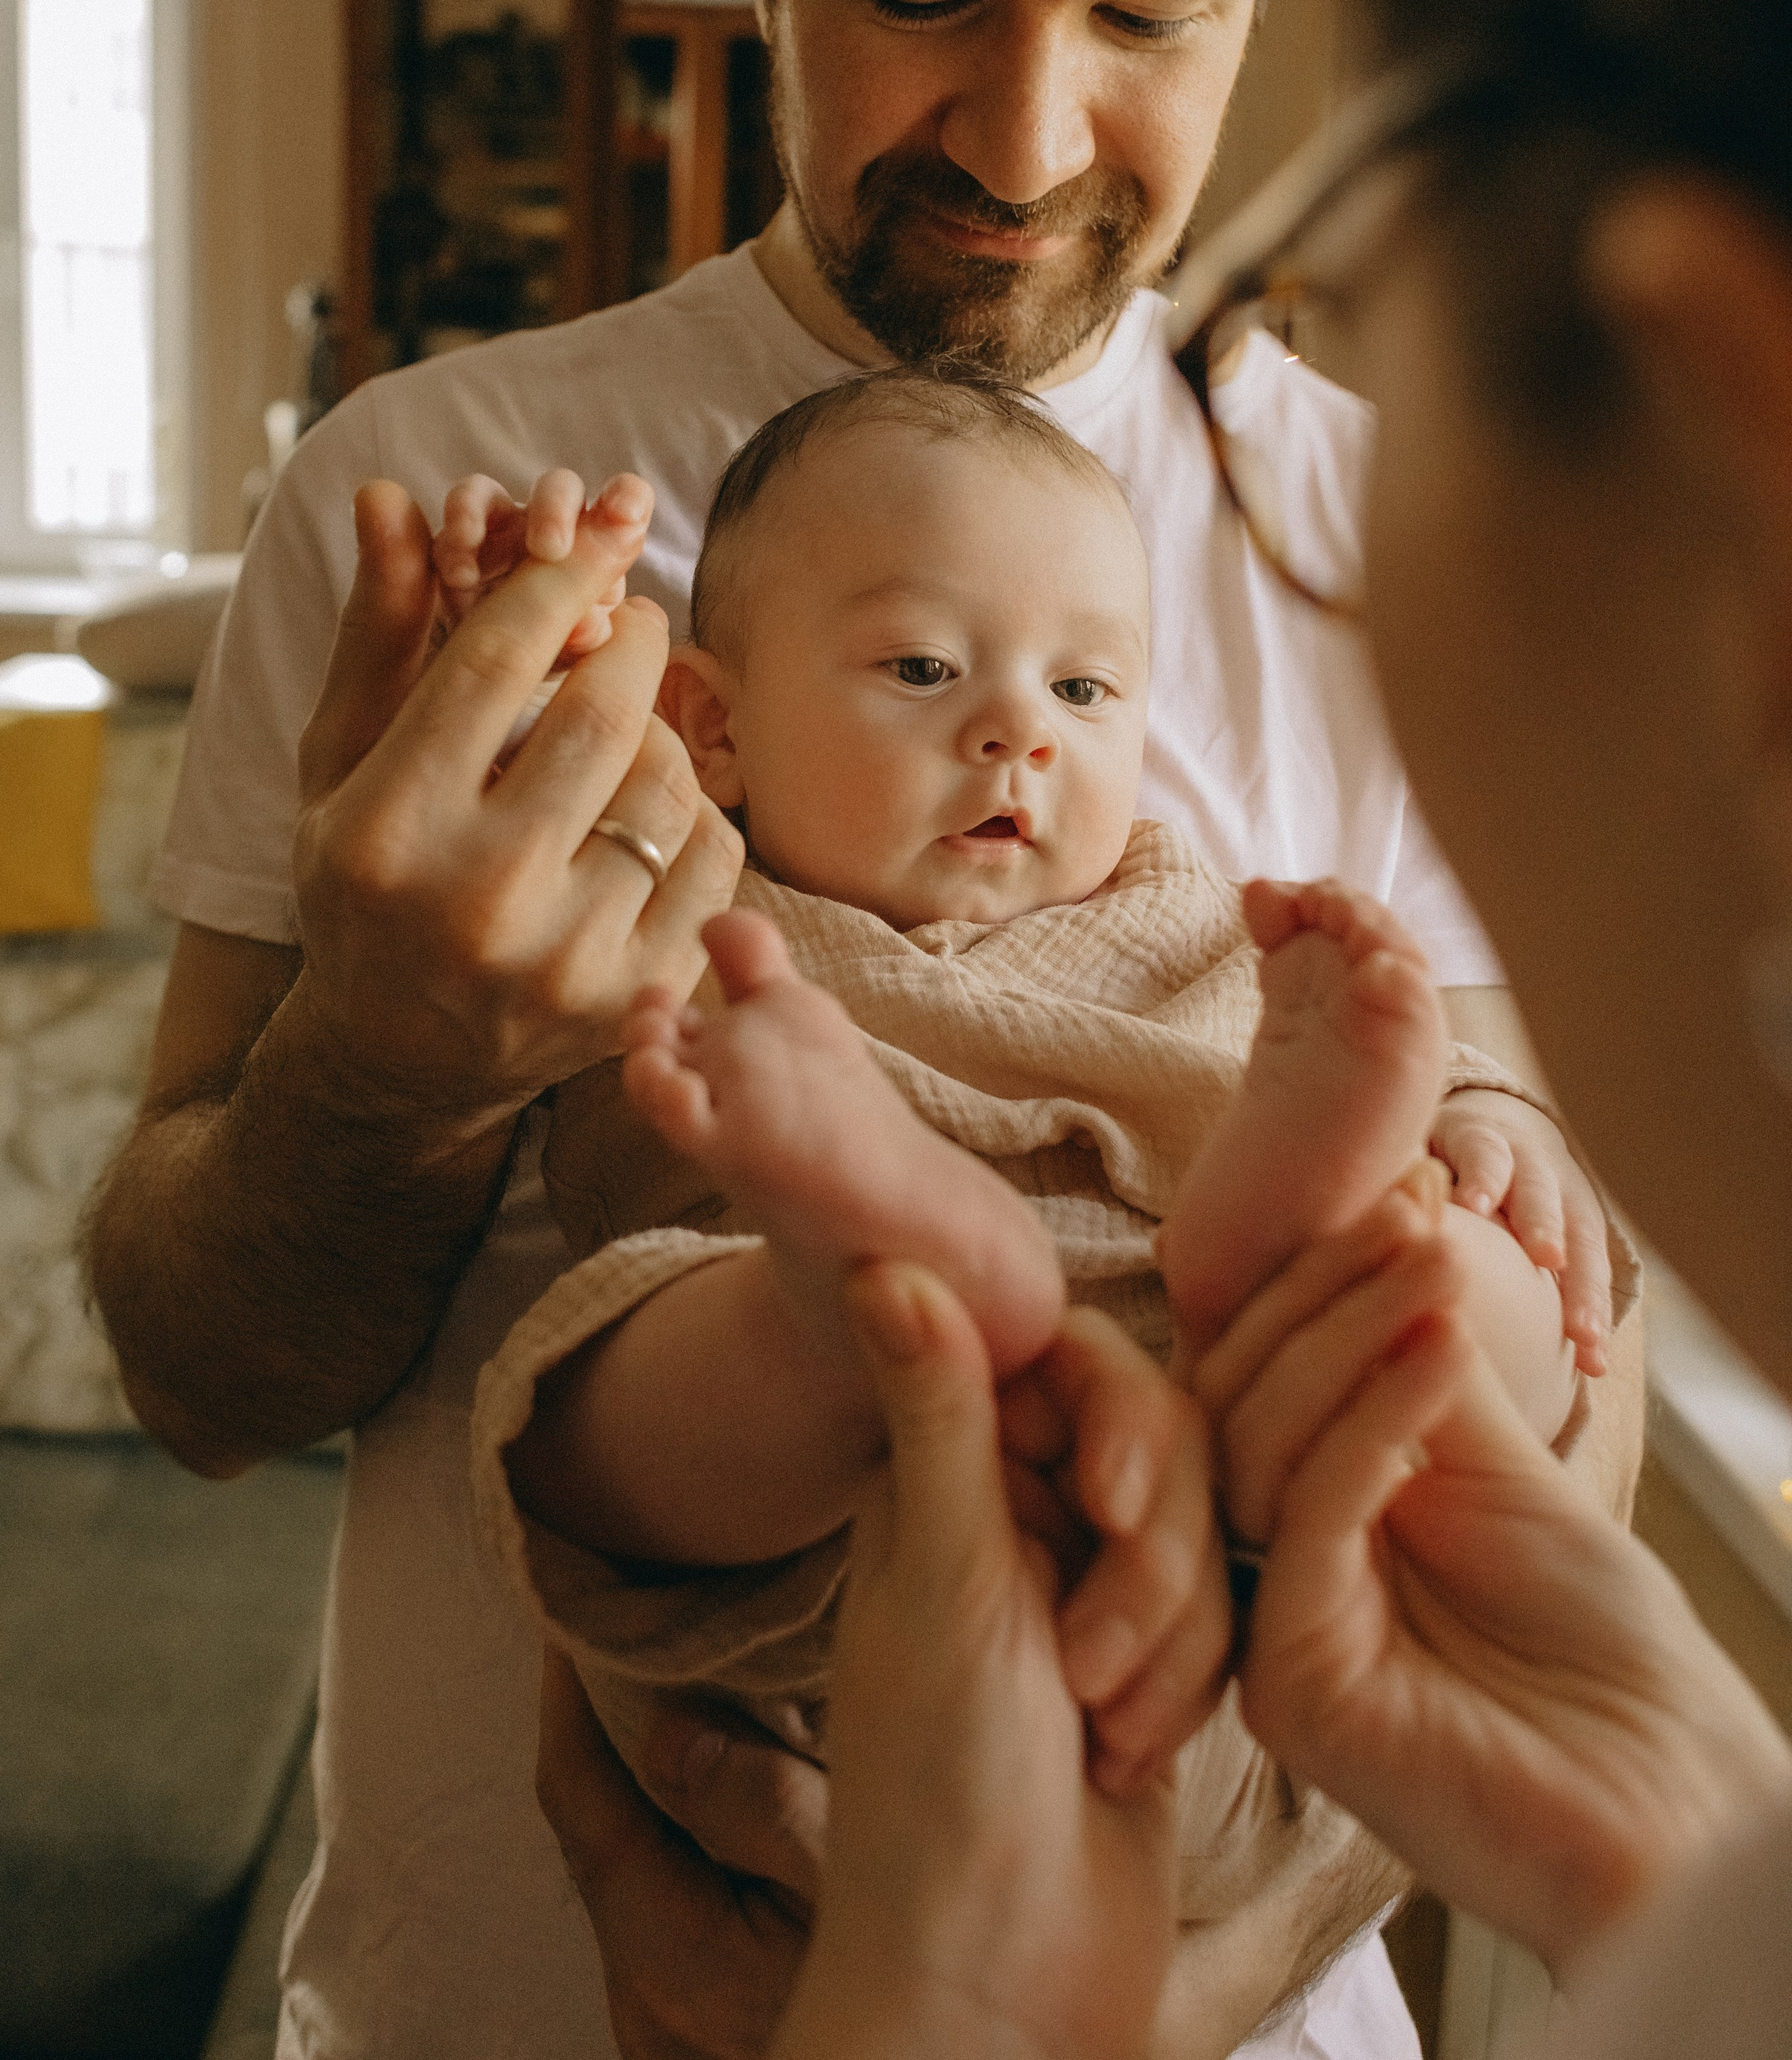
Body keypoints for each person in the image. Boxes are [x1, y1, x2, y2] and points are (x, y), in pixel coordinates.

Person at [85, 0, 1634, 2060]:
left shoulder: (1407, 557)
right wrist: (389, 1055)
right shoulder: (426, 505)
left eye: (1155, 11)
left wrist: (1188, 1971)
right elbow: (198, 1375)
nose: (1029, 145)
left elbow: (1530, 1430)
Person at [570, 0, 1792, 2052]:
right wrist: (1687, 1853)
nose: (1027, 144)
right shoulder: (590, 660)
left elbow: (1513, 1319)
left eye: (1173, 24)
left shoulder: (1197, 881)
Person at [460, 375, 1585, 1961]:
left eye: (1085, 689)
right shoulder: (699, 922)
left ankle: (1284, 1274)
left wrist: (1483, 1122)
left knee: (1472, 1275)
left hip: (1230, 1599)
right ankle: (845, 1318)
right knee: (579, 1404)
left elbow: (1389, 1062)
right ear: (711, 729)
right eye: (921, 667)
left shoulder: (1211, 923)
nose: (1016, 733)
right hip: (835, 1582)